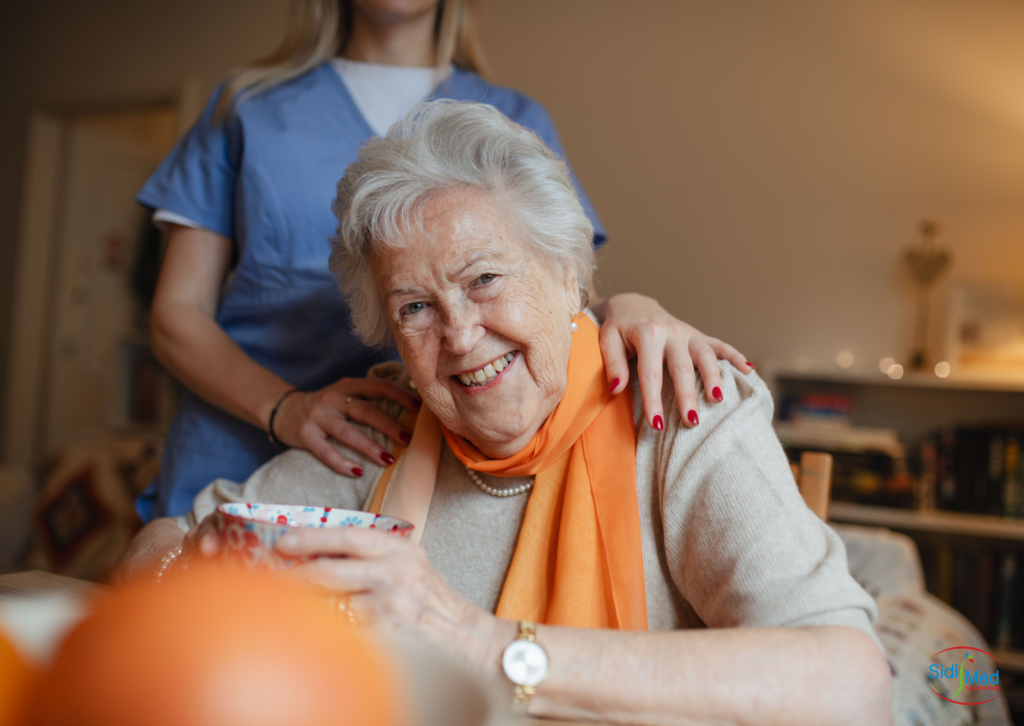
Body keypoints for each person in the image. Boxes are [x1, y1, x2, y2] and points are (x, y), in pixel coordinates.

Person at [119, 102, 891, 725]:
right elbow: (164, 546)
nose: (458, 336)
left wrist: (482, 645)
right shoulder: (384, 429)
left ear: (569, 274)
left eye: (485, 279)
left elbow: (851, 686)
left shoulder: (680, 404)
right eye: (415, 307)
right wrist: (185, 568)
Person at [137, 0, 753, 522]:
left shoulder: (513, 115)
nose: (458, 326)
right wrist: (285, 409)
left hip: (417, 464)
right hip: (242, 443)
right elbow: (175, 313)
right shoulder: (245, 109)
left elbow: (558, 291)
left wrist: (636, 306)